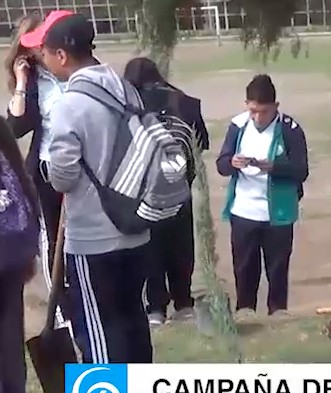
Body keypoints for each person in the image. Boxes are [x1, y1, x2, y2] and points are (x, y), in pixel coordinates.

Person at [27, 11, 153, 369]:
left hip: (93, 236)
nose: (44, 61)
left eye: (45, 53)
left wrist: (52, 170)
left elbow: (63, 178)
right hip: (135, 226)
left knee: (99, 324)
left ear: (62, 56)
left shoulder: (70, 104)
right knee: (132, 319)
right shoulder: (125, 89)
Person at [123, 56, 209, 328]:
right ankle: (183, 303)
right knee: (182, 246)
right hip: (180, 184)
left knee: (151, 248)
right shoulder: (185, 102)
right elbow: (200, 142)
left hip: (145, 191)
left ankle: (156, 308)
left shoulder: (129, 107)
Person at [217, 74, 309, 316]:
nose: (258, 118)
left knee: (277, 269)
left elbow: (302, 170)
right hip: (244, 211)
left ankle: (278, 313)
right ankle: (245, 311)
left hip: (277, 213)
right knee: (244, 268)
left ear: (276, 107)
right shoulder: (238, 126)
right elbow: (221, 164)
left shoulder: (290, 130)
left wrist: (274, 167)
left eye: (264, 112)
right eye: (253, 111)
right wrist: (232, 162)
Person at [5, 13, 69, 325]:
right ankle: (60, 310)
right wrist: (21, 82)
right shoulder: (33, 83)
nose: (35, 52)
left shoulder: (73, 70)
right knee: (52, 241)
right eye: (30, 48)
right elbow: (15, 127)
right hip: (44, 171)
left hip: (82, 169)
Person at [0, 116, 37, 393]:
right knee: (11, 361)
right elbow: (26, 189)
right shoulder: (1, 130)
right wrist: (30, 252)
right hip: (10, 260)